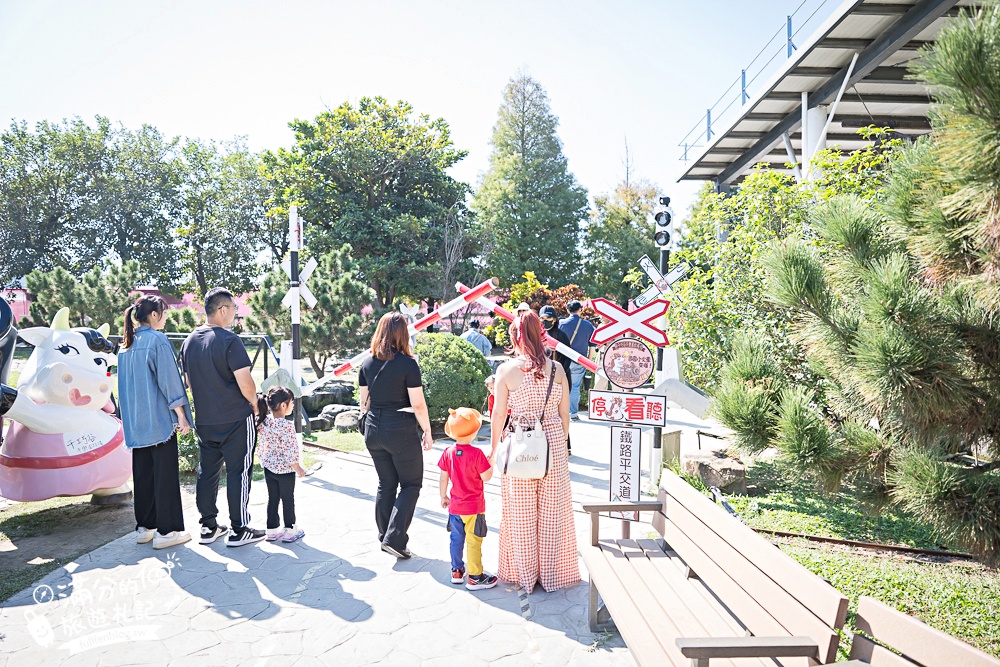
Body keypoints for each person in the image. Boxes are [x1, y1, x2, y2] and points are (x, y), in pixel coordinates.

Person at [489, 312, 580, 593]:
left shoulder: (506, 370)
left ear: (515, 338)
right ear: (542, 336)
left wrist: (494, 450)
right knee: (553, 512)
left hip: (519, 442)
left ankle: (524, 576)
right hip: (552, 441)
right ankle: (553, 576)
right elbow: (565, 414)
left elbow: (498, 414)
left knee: (521, 513)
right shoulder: (558, 370)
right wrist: (557, 443)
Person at [181, 288, 263, 547]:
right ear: (223, 310)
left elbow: (189, 383)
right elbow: (246, 383)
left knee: (207, 472)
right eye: (235, 310)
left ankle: (208, 526)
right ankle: (239, 529)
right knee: (239, 472)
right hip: (236, 418)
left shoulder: (189, 341)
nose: (235, 315)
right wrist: (255, 404)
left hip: (205, 419)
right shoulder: (230, 340)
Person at [117, 295, 193, 550]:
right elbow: (170, 382)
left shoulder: (126, 344)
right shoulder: (157, 341)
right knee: (165, 476)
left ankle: (145, 527)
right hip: (159, 422)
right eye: (164, 313)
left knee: (144, 475)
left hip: (136, 423)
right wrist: (181, 415)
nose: (165, 318)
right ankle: (168, 531)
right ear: (154, 315)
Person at [359, 312, 434, 559]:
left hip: (373, 429)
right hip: (399, 428)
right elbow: (419, 405)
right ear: (403, 334)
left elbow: (364, 404)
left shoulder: (367, 363)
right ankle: (395, 539)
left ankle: (385, 536)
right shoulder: (407, 364)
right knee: (411, 484)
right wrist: (428, 431)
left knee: (386, 483)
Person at [438, 407, 498, 591]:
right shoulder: (477, 454)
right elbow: (486, 476)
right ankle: (475, 576)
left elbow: (443, 476)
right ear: (474, 432)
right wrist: (492, 463)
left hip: (455, 507)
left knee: (456, 539)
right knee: (474, 541)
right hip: (474, 508)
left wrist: (443, 496)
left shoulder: (448, 452)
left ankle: (457, 570)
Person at [255, 386, 306, 543]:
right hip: (285, 470)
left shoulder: (264, 422)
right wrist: (297, 466)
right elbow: (289, 448)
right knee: (288, 499)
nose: (292, 405)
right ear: (283, 405)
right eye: (292, 402)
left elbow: (263, 445)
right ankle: (290, 530)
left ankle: (271, 531)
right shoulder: (286, 426)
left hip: (269, 468)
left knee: (273, 498)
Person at [539, 305, 573, 455]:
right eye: (543, 318)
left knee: (561, 412)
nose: (545, 321)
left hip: (561, 379)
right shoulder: (537, 336)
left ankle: (566, 444)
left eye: (549, 318)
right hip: (542, 380)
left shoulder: (561, 335)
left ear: (555, 319)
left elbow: (568, 358)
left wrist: (559, 376)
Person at [558, 300, 596, 420]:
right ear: (580, 309)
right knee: (574, 387)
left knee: (560, 387)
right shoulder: (588, 326)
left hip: (562, 361)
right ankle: (573, 413)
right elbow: (592, 346)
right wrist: (588, 362)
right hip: (579, 361)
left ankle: (559, 412)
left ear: (568, 310)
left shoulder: (561, 324)